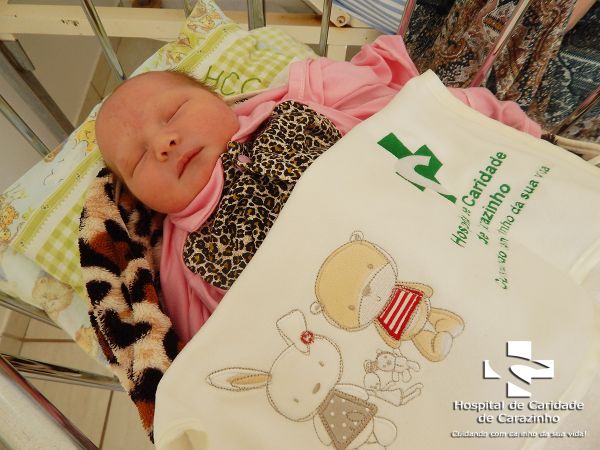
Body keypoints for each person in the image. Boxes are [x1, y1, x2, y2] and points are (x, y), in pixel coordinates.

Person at [95, 35, 542, 344]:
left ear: (219, 100)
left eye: (174, 112)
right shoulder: (183, 262)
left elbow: (410, 115)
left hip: (442, 229)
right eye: (137, 160)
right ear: (139, 199)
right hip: (356, 325)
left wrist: (483, 127)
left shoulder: (306, 101)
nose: (163, 143)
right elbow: (210, 347)